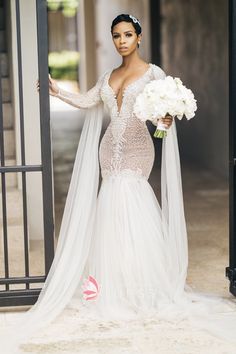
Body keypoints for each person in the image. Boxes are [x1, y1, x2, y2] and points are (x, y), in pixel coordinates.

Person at [2, 13, 236, 354]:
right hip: (108, 148)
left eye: (128, 34)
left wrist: (164, 122)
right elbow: (86, 101)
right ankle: (110, 284)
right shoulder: (108, 76)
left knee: (132, 202)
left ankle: (139, 286)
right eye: (116, 35)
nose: (122, 40)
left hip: (139, 149)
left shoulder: (154, 73)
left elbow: (161, 123)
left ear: (138, 37)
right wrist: (57, 91)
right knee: (111, 206)